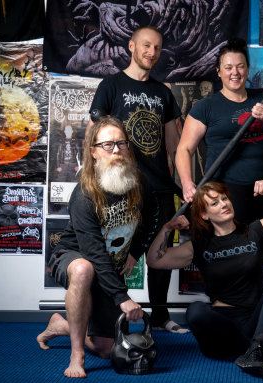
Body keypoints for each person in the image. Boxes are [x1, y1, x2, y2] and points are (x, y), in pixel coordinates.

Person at [146, 178, 263, 377]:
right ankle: (258, 350)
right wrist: (166, 229)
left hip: (258, 325)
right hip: (221, 332)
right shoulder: (200, 245)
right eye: (214, 203)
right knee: (196, 311)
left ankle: (256, 348)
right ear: (204, 214)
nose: (224, 204)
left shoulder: (257, 231)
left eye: (224, 199)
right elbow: (155, 261)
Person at [88, 26, 187, 334]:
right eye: (146, 45)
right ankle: (109, 318)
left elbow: (176, 144)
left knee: (159, 254)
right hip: (122, 187)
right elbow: (96, 135)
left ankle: (159, 316)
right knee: (116, 254)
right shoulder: (111, 85)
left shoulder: (163, 93)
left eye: (157, 47)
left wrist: (186, 184)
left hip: (159, 187)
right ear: (131, 46)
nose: (151, 52)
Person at [36, 116, 148, 378]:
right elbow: (94, 252)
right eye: (108, 145)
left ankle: (61, 325)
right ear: (94, 151)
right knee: (85, 269)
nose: (117, 150)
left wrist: (135, 251)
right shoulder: (84, 194)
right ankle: (77, 354)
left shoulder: (139, 185)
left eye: (121, 143)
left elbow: (154, 216)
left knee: (106, 348)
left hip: (106, 267)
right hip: (75, 257)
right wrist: (122, 297)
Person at [176, 37, 263, 224]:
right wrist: (186, 183)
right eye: (228, 67)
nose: (235, 72)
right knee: (228, 248)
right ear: (218, 72)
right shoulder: (205, 107)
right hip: (222, 192)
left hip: (261, 188)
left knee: (260, 247)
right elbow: (184, 149)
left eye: (240, 66)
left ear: (248, 69)